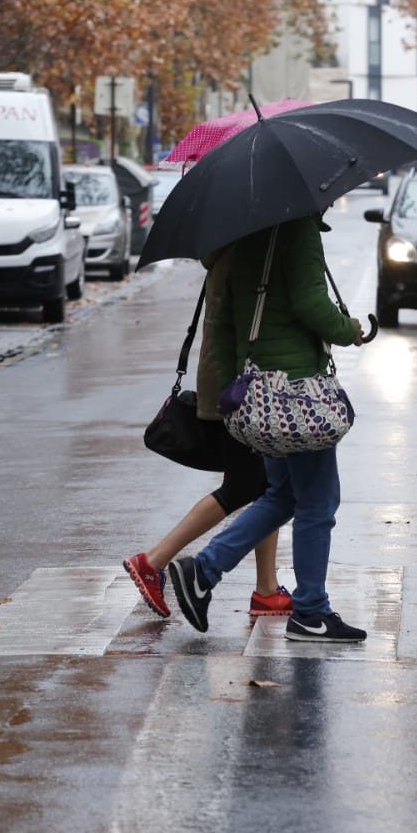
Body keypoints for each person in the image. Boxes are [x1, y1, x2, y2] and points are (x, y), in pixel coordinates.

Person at [167, 215, 369, 643]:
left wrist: (231, 387)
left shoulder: (244, 231)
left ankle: (203, 570)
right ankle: (311, 611)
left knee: (282, 495)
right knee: (318, 501)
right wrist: (349, 330)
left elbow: (223, 319)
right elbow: (311, 304)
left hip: (260, 393)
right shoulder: (299, 229)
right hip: (297, 391)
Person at [122, 250, 291, 620]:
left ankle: (266, 589)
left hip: (229, 382)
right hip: (241, 388)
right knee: (245, 487)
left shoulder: (227, 248)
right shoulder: (247, 254)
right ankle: (153, 560)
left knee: (263, 486)